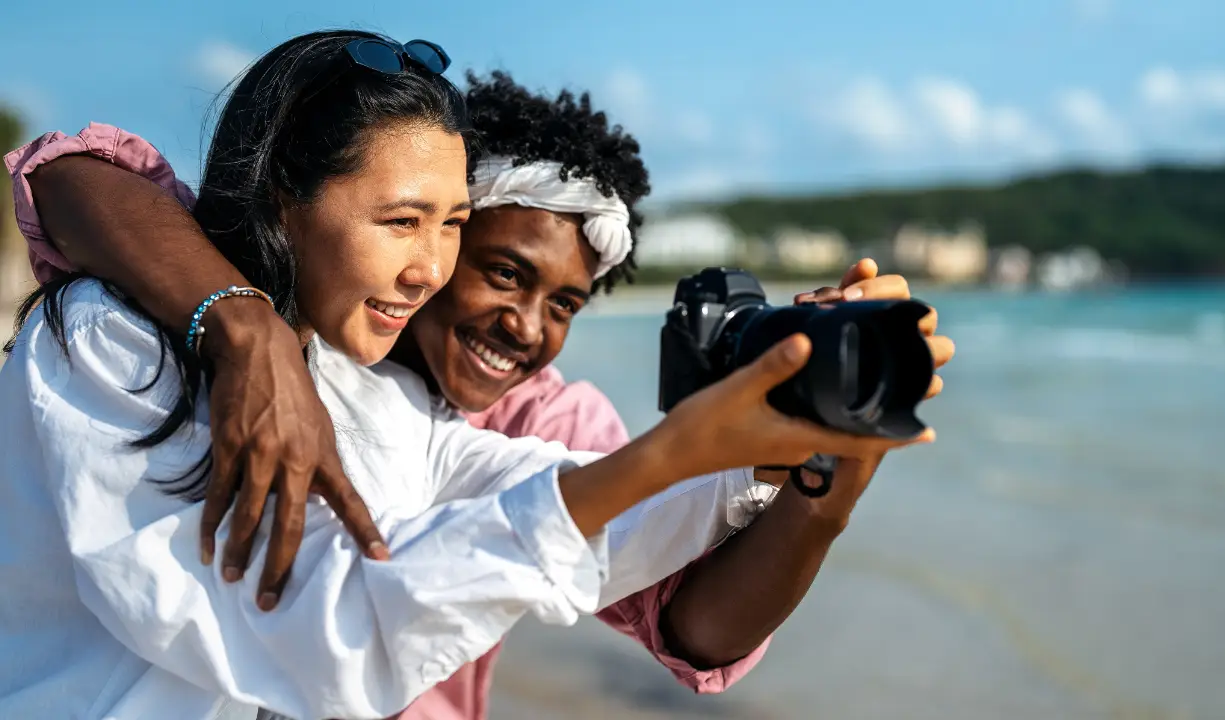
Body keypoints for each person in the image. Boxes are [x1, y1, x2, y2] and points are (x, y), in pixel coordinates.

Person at [0, 29, 937, 720]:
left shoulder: (384, 397)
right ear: (285, 198)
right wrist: (244, 330)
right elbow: (321, 635)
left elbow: (596, 515)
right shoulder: (116, 338)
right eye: (403, 222)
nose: (428, 269)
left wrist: (785, 443)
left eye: (449, 226)